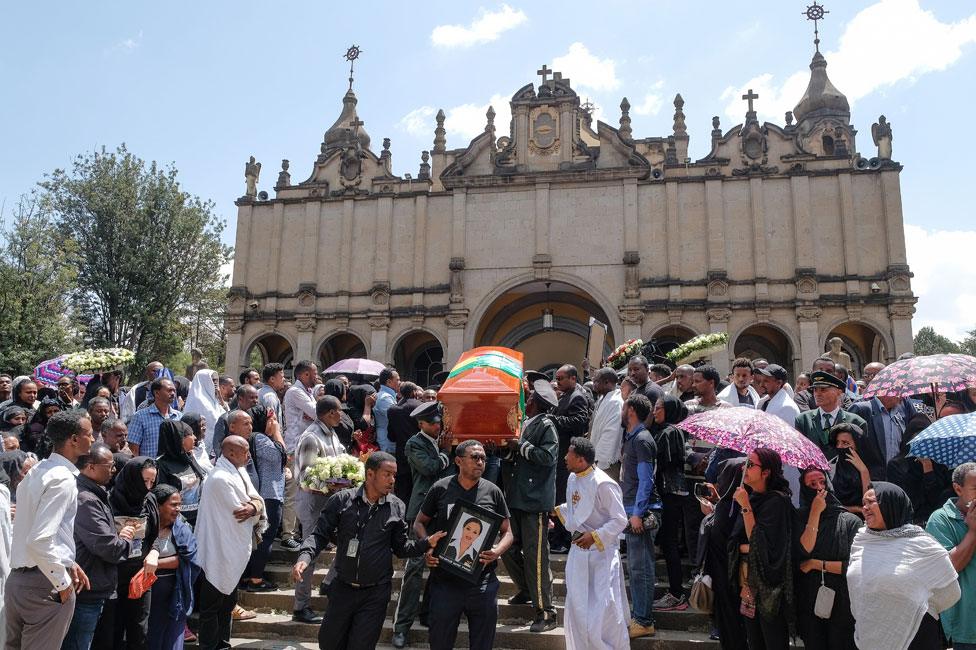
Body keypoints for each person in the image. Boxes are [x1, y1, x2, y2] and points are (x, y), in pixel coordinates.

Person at [292, 451, 444, 650]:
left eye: (394, 475)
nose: (392, 480)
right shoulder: (342, 500)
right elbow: (319, 534)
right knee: (329, 643)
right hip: (343, 588)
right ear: (370, 474)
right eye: (387, 474)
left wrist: (425, 543)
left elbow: (401, 548)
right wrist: (304, 556)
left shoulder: (396, 507)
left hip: (375, 593)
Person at [5, 410, 93, 649]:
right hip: (44, 587)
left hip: (17, 584)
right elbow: (40, 539)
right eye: (89, 434)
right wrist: (62, 582)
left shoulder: (37, 470)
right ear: (74, 439)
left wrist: (67, 561)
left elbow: (33, 531)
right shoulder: (62, 478)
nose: (93, 439)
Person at [417, 441, 513, 650]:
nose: (480, 462)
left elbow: (508, 532)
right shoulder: (440, 488)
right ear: (458, 461)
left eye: (483, 459)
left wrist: (497, 552)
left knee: (482, 644)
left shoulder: (493, 491)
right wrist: (428, 546)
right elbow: (419, 523)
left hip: (482, 582)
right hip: (445, 581)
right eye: (475, 458)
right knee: (440, 642)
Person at [848, 482, 960, 650]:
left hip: (915, 635)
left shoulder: (921, 544)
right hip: (869, 634)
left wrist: (918, 602)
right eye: (864, 503)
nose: (865, 508)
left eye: (872, 502)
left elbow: (950, 592)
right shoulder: (862, 541)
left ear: (892, 504)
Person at [554, 437, 629, 650]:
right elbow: (578, 508)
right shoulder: (572, 478)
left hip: (602, 554)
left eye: (569, 453)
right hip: (579, 552)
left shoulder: (604, 483)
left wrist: (595, 535)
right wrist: (558, 510)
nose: (565, 457)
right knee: (578, 607)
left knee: (604, 609)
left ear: (580, 459)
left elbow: (620, 519)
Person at [391, 401, 453, 648]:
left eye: (439, 422)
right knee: (414, 568)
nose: (439, 426)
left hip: (440, 510)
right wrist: (446, 452)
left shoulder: (437, 441)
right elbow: (429, 468)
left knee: (439, 565)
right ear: (422, 424)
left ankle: (427, 613)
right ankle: (401, 627)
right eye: (434, 423)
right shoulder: (414, 442)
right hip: (420, 513)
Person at [194, 436, 265, 650]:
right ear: (231, 453)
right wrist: (255, 508)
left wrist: (256, 507)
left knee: (227, 605)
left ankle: (223, 645)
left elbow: (255, 501)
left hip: (232, 550)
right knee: (210, 608)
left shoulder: (239, 472)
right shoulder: (219, 479)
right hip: (217, 551)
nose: (249, 455)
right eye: (245, 451)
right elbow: (240, 511)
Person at [62, 443, 136, 650]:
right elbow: (109, 547)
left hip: (96, 587)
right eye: (109, 466)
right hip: (87, 591)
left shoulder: (95, 494)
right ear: (91, 467)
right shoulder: (86, 500)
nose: (113, 471)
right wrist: (126, 538)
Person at [500, 379, 559, 632]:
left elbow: (547, 457)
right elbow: (516, 459)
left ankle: (546, 611)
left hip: (534, 501)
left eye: (528, 398)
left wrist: (520, 446)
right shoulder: (525, 423)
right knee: (508, 548)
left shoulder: (547, 426)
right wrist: (503, 449)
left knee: (536, 556)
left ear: (534, 402)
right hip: (516, 497)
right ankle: (525, 588)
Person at [731, 448, 794, 650]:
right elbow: (737, 541)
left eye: (750, 465)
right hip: (749, 584)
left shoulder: (777, 501)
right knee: (754, 641)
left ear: (766, 472)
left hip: (770, 589)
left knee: (772, 641)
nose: (744, 468)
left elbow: (759, 542)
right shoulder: (752, 497)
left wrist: (746, 506)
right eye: (745, 463)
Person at [290, 396, 346, 622]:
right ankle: (300, 606)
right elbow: (306, 478)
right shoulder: (312, 438)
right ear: (330, 413)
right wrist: (342, 483)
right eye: (339, 411)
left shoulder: (332, 434)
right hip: (313, 505)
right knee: (310, 554)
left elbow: (339, 465)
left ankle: (329, 583)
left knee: (346, 542)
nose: (341, 415)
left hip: (331, 502)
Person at [794, 467, 861, 650]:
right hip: (809, 601)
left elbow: (854, 567)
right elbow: (803, 550)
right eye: (812, 484)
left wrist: (817, 564)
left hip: (842, 603)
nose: (819, 488)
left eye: (823, 482)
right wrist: (815, 513)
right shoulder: (799, 517)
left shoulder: (849, 521)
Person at [619, 393, 661, 638]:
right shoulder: (634, 437)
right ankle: (640, 617)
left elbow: (647, 480)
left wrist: (638, 512)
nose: (622, 410)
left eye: (625, 406)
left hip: (643, 512)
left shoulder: (642, 439)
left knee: (641, 568)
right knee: (635, 568)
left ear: (632, 410)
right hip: (632, 510)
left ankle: (644, 620)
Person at [104, 456, 157, 649]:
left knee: (139, 629)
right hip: (113, 575)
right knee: (112, 630)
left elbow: (155, 536)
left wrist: (154, 553)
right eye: (144, 481)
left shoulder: (149, 500)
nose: (148, 487)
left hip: (139, 575)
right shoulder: (109, 500)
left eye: (152, 481)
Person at [925, 462, 976, 650]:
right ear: (958, 488)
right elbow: (948, 568)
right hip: (965, 627)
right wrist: (972, 532)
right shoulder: (940, 519)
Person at [699, 458, 749, 650]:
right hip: (735, 579)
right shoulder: (735, 504)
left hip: (726, 580)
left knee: (731, 628)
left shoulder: (729, 507)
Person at [144, 484, 200, 650]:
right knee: (150, 638)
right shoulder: (144, 527)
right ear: (158, 506)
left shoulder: (182, 529)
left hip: (175, 595)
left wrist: (156, 564)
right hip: (147, 596)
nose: (178, 509)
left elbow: (189, 559)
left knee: (172, 641)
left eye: (179, 505)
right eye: (173, 505)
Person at [650, 394, 692, 612]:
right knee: (668, 544)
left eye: (658, 408)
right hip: (670, 494)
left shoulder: (669, 432)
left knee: (669, 544)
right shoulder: (667, 431)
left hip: (669, 494)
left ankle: (676, 594)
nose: (655, 412)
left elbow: (666, 462)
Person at [241, 406, 287, 594]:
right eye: (272, 419)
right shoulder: (260, 439)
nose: (275, 423)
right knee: (265, 538)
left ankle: (249, 575)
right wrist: (277, 433)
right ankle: (256, 579)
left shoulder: (258, 439)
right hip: (269, 496)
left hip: (264, 495)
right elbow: (281, 455)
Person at [548, 364, 591, 553]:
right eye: (557, 378)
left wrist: (553, 420)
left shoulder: (578, 397)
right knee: (558, 496)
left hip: (569, 456)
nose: (557, 382)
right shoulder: (564, 396)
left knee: (563, 497)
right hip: (561, 456)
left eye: (561, 378)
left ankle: (563, 539)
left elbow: (579, 422)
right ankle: (558, 536)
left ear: (573, 378)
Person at [887, 415, 953, 525]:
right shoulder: (897, 465)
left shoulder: (940, 463)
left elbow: (938, 497)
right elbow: (902, 499)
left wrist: (928, 467)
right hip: (910, 521)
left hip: (939, 519)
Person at [281, 360, 319, 551]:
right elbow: (316, 412)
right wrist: (312, 413)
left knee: (306, 491)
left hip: (305, 447)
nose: (317, 376)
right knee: (294, 492)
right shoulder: (295, 392)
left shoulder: (308, 392)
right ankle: (288, 534)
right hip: (295, 448)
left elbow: (312, 415)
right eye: (314, 373)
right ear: (304, 375)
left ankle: (303, 531)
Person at [794, 371, 867, 460]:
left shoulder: (856, 422)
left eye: (823, 390)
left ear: (839, 392)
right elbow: (801, 455)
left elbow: (862, 457)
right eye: (815, 390)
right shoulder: (803, 420)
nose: (817, 394)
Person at [155, 421, 207, 528]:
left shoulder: (189, 458)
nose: (195, 437)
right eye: (190, 434)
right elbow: (162, 499)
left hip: (199, 518)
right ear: (180, 438)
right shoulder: (161, 465)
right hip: (178, 524)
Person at [849, 393, 918, 472]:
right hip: (870, 478)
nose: (902, 395)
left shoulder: (900, 414)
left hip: (895, 476)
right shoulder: (862, 409)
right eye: (898, 391)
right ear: (884, 391)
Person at [128, 378, 182, 458]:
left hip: (174, 468)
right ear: (157, 393)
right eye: (169, 390)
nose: (173, 393)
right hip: (151, 468)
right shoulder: (140, 417)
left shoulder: (179, 416)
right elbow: (134, 448)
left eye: (174, 390)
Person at [827, 423, 873, 514]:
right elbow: (829, 505)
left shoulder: (872, 467)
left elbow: (870, 503)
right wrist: (857, 509)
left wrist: (864, 472)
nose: (840, 446)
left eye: (845, 443)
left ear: (858, 445)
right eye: (837, 442)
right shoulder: (830, 468)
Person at [387, 381, 422, 504]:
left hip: (401, 454)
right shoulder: (420, 406)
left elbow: (391, 436)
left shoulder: (392, 409)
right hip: (420, 453)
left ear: (400, 393)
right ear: (414, 392)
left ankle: (401, 516)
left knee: (403, 490)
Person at [588, 368, 624, 479]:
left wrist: (600, 460)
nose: (594, 384)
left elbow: (611, 434)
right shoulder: (602, 399)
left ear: (607, 382)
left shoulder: (615, 402)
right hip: (594, 457)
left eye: (596, 381)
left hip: (605, 463)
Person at [210, 384, 259, 457]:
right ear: (240, 399)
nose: (255, 401)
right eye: (251, 398)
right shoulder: (226, 418)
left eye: (256, 397)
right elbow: (218, 446)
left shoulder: (258, 417)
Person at [183, 369, 224, 453]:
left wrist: (220, 397)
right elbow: (214, 421)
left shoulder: (213, 399)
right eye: (212, 380)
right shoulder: (198, 400)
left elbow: (226, 415)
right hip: (199, 444)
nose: (215, 383)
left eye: (217, 380)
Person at [374, 368, 401, 454]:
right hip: (387, 443)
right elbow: (396, 419)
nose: (400, 382)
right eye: (398, 380)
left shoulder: (387, 396)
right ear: (389, 382)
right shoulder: (385, 398)